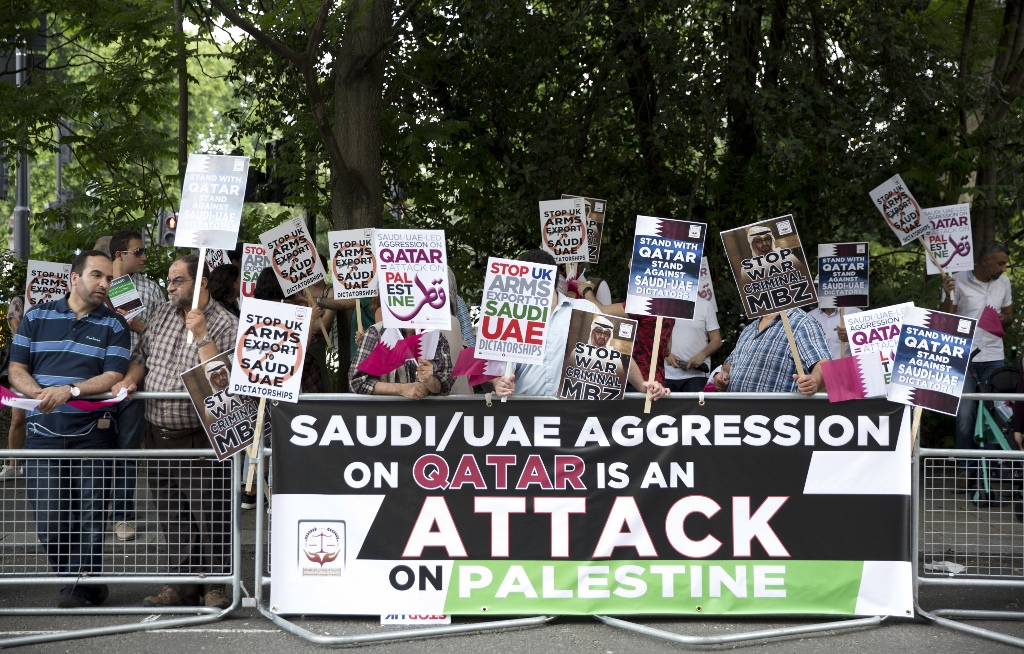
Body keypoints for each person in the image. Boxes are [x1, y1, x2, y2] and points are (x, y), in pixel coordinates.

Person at [112, 254, 236, 609]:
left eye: (178, 280)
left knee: (209, 513)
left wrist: (202, 335)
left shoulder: (226, 323)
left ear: (201, 285)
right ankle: (181, 585)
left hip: (199, 436)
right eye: (169, 280)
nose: (170, 286)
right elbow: (142, 357)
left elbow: (222, 383)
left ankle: (215, 585)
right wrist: (131, 381)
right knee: (172, 513)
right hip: (158, 431)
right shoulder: (163, 314)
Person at [9, 250, 131, 608]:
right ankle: (78, 581)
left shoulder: (115, 324)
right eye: (97, 276)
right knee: (50, 517)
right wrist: (40, 394)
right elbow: (17, 369)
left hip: (94, 432)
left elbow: (113, 376)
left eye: (109, 278)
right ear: (74, 278)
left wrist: (70, 390)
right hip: (42, 435)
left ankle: (78, 585)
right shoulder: (36, 316)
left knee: (91, 516)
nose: (105, 284)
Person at [494, 250, 669, 400]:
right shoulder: (512, 318)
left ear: (552, 278)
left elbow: (616, 353)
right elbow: (498, 367)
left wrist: (641, 385)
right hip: (527, 413)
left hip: (575, 416)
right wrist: (497, 383)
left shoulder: (585, 309)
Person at [108, 228, 167, 542]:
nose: (145, 256)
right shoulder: (98, 280)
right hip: (96, 381)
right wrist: (115, 280)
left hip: (134, 379)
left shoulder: (152, 289)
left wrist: (139, 324)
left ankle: (122, 515)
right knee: (94, 449)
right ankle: (92, 513)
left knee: (127, 449)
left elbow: (157, 333)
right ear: (120, 255)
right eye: (138, 251)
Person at [940, 241, 1013, 477]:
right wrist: (947, 293)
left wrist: (1003, 318)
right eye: (1000, 263)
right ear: (985, 260)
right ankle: (967, 471)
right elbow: (944, 318)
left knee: (995, 414)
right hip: (964, 357)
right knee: (965, 413)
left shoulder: (1004, 282)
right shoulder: (956, 280)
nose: (1004, 268)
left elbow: (1010, 315)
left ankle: (990, 472)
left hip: (994, 356)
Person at [713, 308, 830, 395]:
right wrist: (723, 377)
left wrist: (815, 380)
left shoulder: (802, 322)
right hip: (735, 416)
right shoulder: (749, 329)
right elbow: (730, 365)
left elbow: (824, 363)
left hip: (775, 419)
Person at [349, 322, 455, 399]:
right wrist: (402, 389)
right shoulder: (377, 333)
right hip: (384, 417)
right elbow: (357, 382)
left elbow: (445, 385)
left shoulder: (436, 337)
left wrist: (429, 381)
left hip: (426, 419)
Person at [665, 296, 722, 393]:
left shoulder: (706, 305)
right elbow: (650, 335)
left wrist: (702, 355)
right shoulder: (663, 304)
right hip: (666, 373)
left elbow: (717, 340)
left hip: (697, 375)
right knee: (665, 408)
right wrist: (665, 354)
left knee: (698, 408)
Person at [1, 294, 26, 480]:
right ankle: (13, 464)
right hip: (21, 366)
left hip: (48, 364)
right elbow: (16, 327)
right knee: (18, 419)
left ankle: (35, 464)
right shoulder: (19, 301)